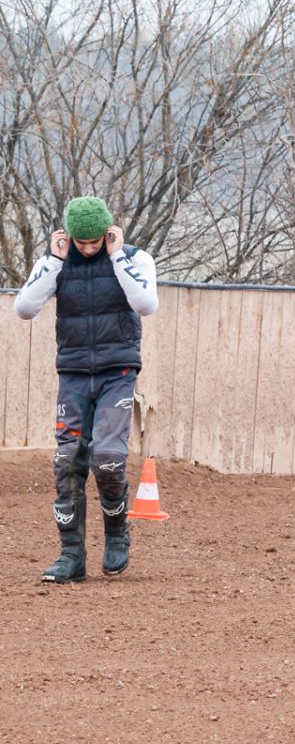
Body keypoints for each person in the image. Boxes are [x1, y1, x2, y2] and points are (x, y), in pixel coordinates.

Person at [12, 196, 160, 582]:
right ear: (70, 236)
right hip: (74, 372)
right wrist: (56, 260)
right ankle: (71, 555)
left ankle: (116, 535)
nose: (90, 248)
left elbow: (145, 303)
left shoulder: (134, 257)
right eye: (83, 242)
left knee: (109, 458)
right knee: (67, 462)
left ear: (108, 232)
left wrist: (116, 257)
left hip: (118, 370)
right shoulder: (59, 262)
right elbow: (24, 308)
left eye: (96, 240)